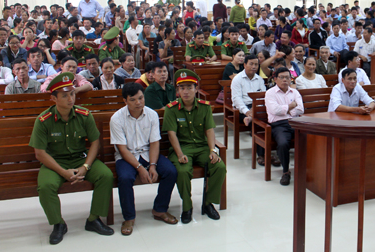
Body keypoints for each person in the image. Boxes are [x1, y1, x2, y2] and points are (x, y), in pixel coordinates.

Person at [29, 72, 114, 245]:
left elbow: (95, 143)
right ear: (53, 98)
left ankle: (93, 219)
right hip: (55, 163)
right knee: (45, 186)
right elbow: (40, 153)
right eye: (65, 95)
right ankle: (58, 224)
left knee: (105, 175)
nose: (70, 99)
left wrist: (85, 167)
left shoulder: (84, 115)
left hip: (79, 159)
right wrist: (62, 172)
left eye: (72, 94)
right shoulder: (43, 120)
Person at [111, 82, 179, 235]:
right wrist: (140, 168)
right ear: (125, 101)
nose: (138, 102)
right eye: (133, 100)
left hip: (149, 154)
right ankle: (129, 217)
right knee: (125, 178)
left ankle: (160, 210)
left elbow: (155, 142)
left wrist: (153, 165)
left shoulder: (152, 114)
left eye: (141, 98)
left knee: (170, 171)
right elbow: (122, 149)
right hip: (127, 157)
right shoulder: (117, 118)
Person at [163, 69, 226, 223]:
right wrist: (179, 154)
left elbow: (209, 130)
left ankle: (207, 203)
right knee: (183, 171)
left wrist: (212, 150)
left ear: (196, 89)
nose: (186, 92)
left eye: (190, 87)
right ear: (177, 90)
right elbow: (171, 134)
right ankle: (187, 206)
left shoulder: (204, 107)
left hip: (202, 148)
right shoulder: (171, 109)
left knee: (219, 167)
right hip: (181, 149)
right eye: (182, 88)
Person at [265, 67, 305, 185]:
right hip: (279, 125)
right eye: (281, 77)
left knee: (311, 138)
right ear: (275, 79)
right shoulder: (270, 93)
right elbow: (275, 110)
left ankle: (306, 169)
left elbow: (301, 109)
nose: (285, 80)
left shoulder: (295, 92)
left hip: (295, 122)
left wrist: (288, 110)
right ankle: (286, 172)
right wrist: (291, 106)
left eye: (287, 77)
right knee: (283, 143)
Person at [230, 55, 272, 165]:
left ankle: (271, 151)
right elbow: (237, 99)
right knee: (257, 123)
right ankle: (261, 154)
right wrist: (247, 111)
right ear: (244, 65)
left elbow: (263, 96)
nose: (254, 66)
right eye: (251, 64)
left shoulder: (259, 79)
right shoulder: (237, 79)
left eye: (256, 64)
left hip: (256, 107)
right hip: (241, 110)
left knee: (272, 120)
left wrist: (255, 108)